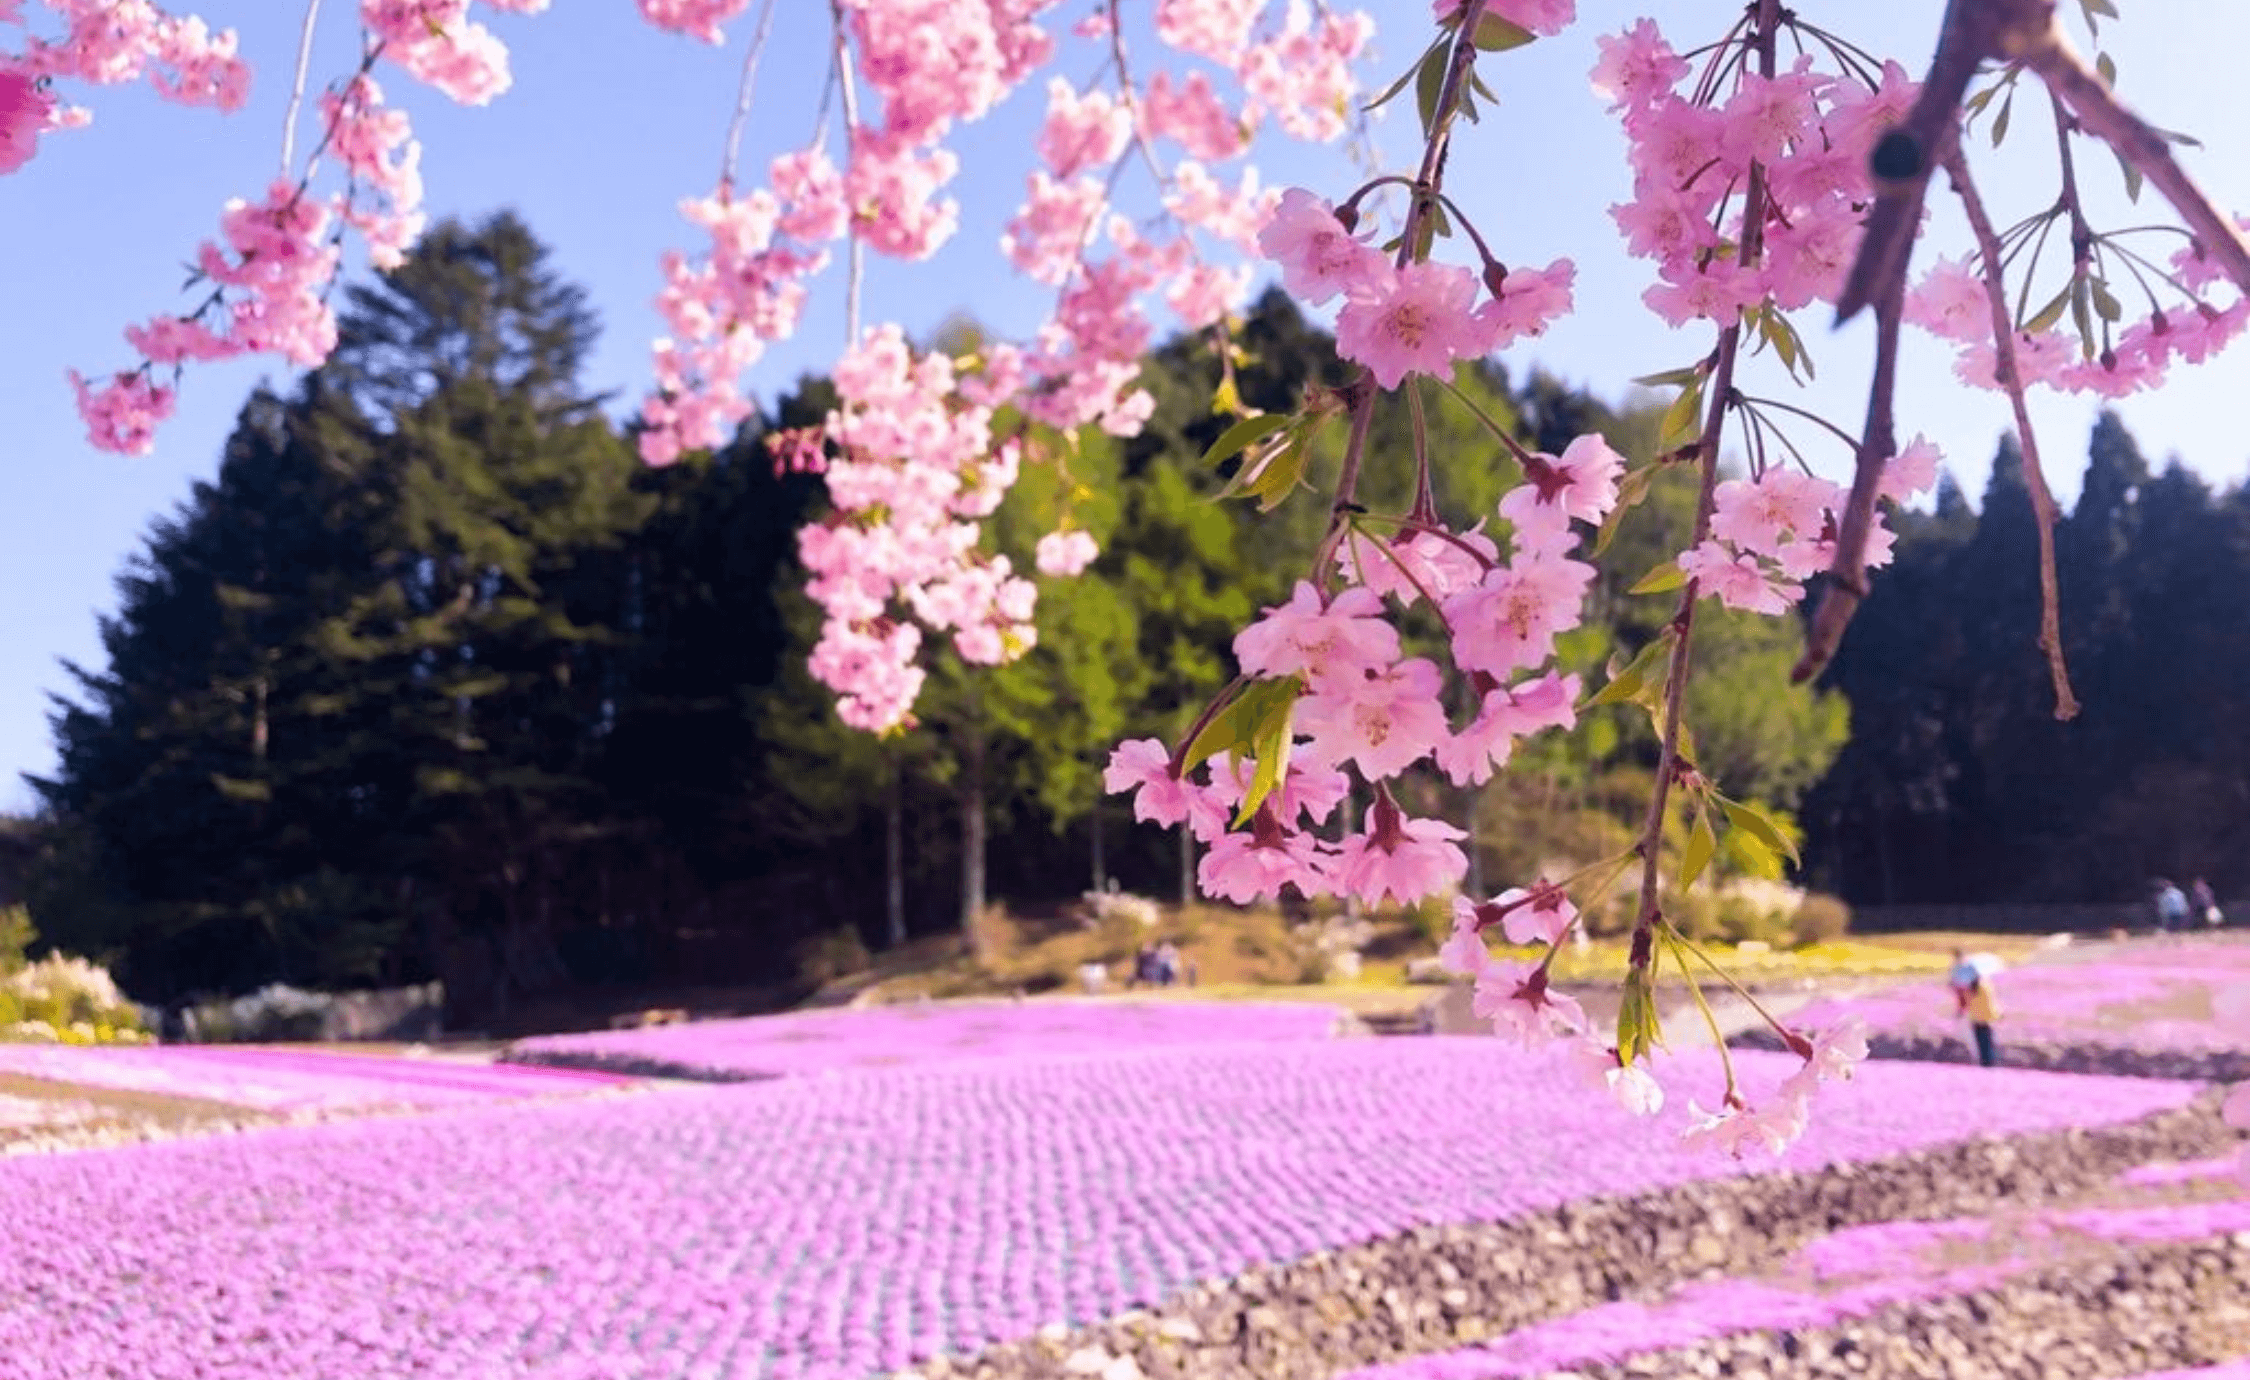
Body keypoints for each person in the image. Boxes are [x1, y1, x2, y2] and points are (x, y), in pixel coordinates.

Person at [1949, 950, 2002, 1068]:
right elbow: (1991, 1001)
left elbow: (1964, 1002)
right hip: (1988, 1016)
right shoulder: (1985, 985)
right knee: (1988, 1039)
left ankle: (1986, 1062)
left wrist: (1960, 1011)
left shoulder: (1969, 988)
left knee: (1982, 1040)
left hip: (1977, 1017)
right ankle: (1990, 1062)